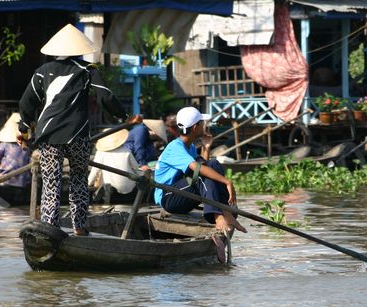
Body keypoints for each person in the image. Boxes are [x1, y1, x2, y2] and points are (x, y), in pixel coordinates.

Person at [18, 24, 140, 235]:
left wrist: (24, 131)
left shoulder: (42, 73)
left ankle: (49, 226)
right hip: (78, 136)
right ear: (79, 49)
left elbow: (26, 105)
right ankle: (79, 228)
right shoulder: (87, 70)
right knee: (78, 181)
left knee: (51, 183)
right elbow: (106, 96)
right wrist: (124, 117)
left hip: (49, 136)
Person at [154, 106, 246, 236]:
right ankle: (218, 216)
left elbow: (205, 166)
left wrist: (206, 148)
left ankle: (225, 213)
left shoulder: (189, 146)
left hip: (182, 193)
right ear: (195, 127)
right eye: (202, 123)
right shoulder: (175, 147)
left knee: (212, 164)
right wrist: (227, 182)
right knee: (204, 172)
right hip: (168, 198)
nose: (205, 125)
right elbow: (198, 170)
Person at [89, 128, 141, 199]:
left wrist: (88, 184)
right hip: (129, 189)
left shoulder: (100, 153)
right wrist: (145, 177)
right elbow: (137, 169)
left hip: (109, 189)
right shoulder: (126, 150)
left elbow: (94, 172)